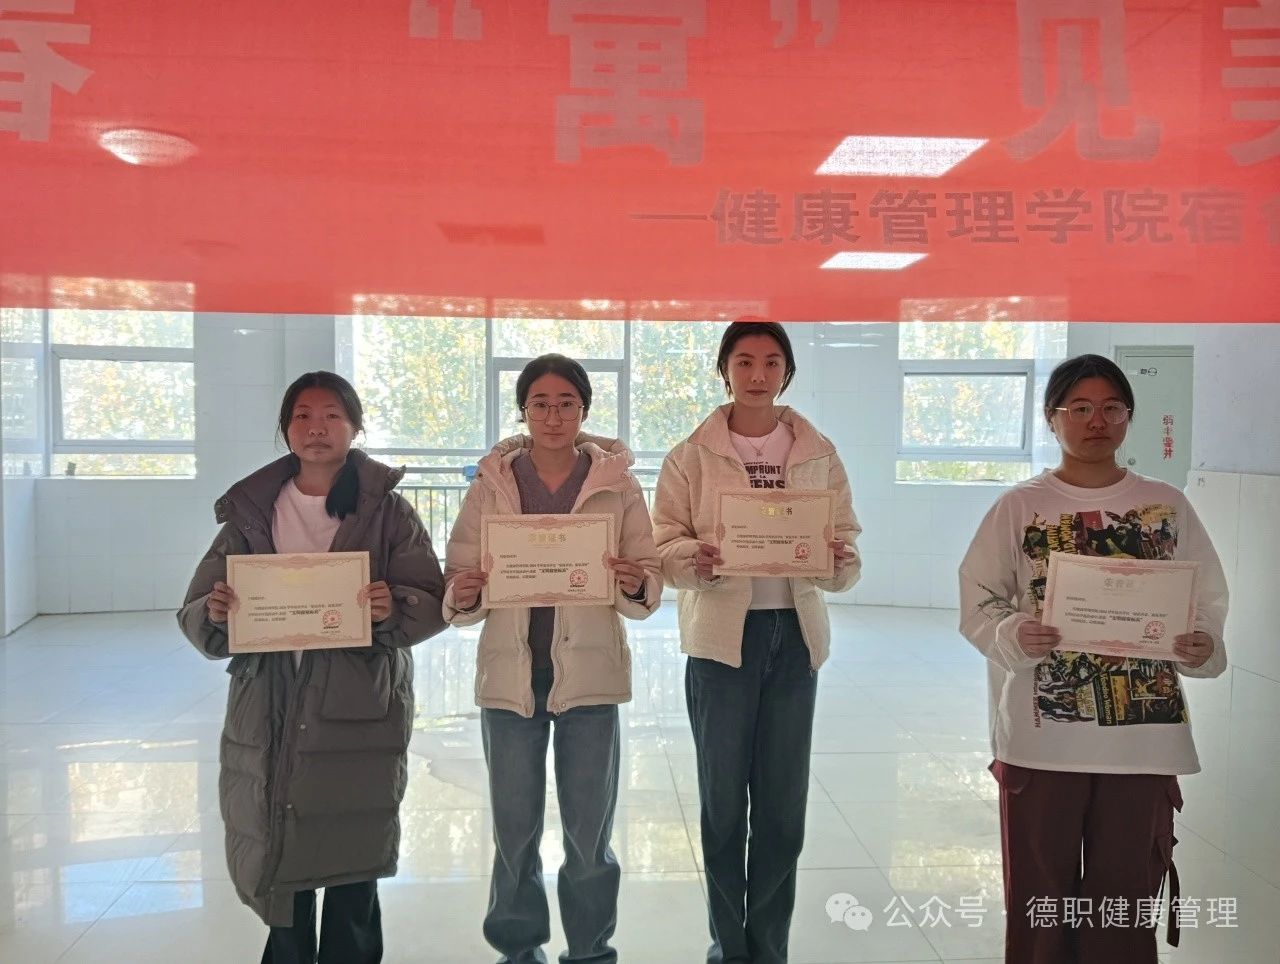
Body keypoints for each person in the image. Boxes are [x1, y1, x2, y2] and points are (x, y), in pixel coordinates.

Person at [958, 353, 1229, 964]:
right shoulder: (1020, 507)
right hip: (1042, 739)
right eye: (1079, 408)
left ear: (1129, 417)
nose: (1096, 421)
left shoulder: (1166, 504)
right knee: (1040, 902)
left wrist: (1203, 641)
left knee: (1123, 904)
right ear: (1052, 418)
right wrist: (1013, 632)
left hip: (1143, 739)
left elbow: (1206, 597)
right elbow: (980, 599)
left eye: (1111, 408)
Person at [177, 371, 447, 964]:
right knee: (279, 847)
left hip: (357, 704)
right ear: (285, 428)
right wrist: (217, 613)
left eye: (331, 416)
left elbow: (432, 600)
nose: (317, 428)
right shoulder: (252, 511)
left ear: (355, 428)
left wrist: (391, 608)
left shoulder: (388, 512)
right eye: (303, 415)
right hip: (268, 702)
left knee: (353, 854)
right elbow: (195, 611)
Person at [651, 320, 861, 964]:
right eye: (744, 361)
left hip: (794, 639)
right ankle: (728, 945)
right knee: (722, 806)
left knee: (781, 808)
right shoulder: (690, 455)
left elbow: (847, 550)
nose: (758, 374)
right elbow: (663, 544)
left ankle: (768, 947)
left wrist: (834, 561)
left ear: (787, 373)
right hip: (721, 642)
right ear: (725, 370)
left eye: (771, 362)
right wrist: (694, 560)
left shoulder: (818, 453)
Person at [442, 353, 662, 964]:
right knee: (514, 830)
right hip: (510, 677)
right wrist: (465, 590)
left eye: (567, 403)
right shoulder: (492, 484)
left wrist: (635, 580)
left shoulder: (616, 485)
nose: (554, 415)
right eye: (540, 403)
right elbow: (459, 573)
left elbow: (648, 574)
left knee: (589, 832)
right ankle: (518, 949)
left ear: (584, 410)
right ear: (523, 411)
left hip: (589, 677)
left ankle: (590, 950)